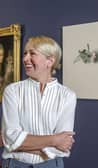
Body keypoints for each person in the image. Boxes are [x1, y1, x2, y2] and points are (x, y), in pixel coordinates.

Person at [1, 36, 77, 168]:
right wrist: (54, 140)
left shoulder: (67, 95)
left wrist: (18, 145)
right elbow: (10, 138)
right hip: (14, 164)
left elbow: (63, 145)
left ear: (50, 61)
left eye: (32, 53)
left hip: (51, 165)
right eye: (25, 53)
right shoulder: (12, 91)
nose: (25, 59)